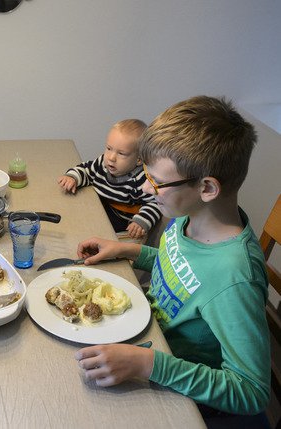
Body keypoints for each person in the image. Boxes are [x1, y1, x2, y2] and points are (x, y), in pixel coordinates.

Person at [74, 96, 270, 424]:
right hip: (148, 343)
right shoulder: (186, 217)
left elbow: (251, 391)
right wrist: (130, 251)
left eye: (157, 182)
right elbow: (180, 271)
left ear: (207, 187)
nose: (147, 191)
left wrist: (148, 365)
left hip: (185, 398)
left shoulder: (236, 278)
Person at [58, 119, 161, 239]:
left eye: (121, 153)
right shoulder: (103, 163)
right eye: (109, 148)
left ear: (139, 160)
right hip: (98, 208)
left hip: (120, 222)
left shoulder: (141, 181)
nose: (111, 157)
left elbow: (155, 203)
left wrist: (141, 221)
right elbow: (86, 170)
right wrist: (72, 178)